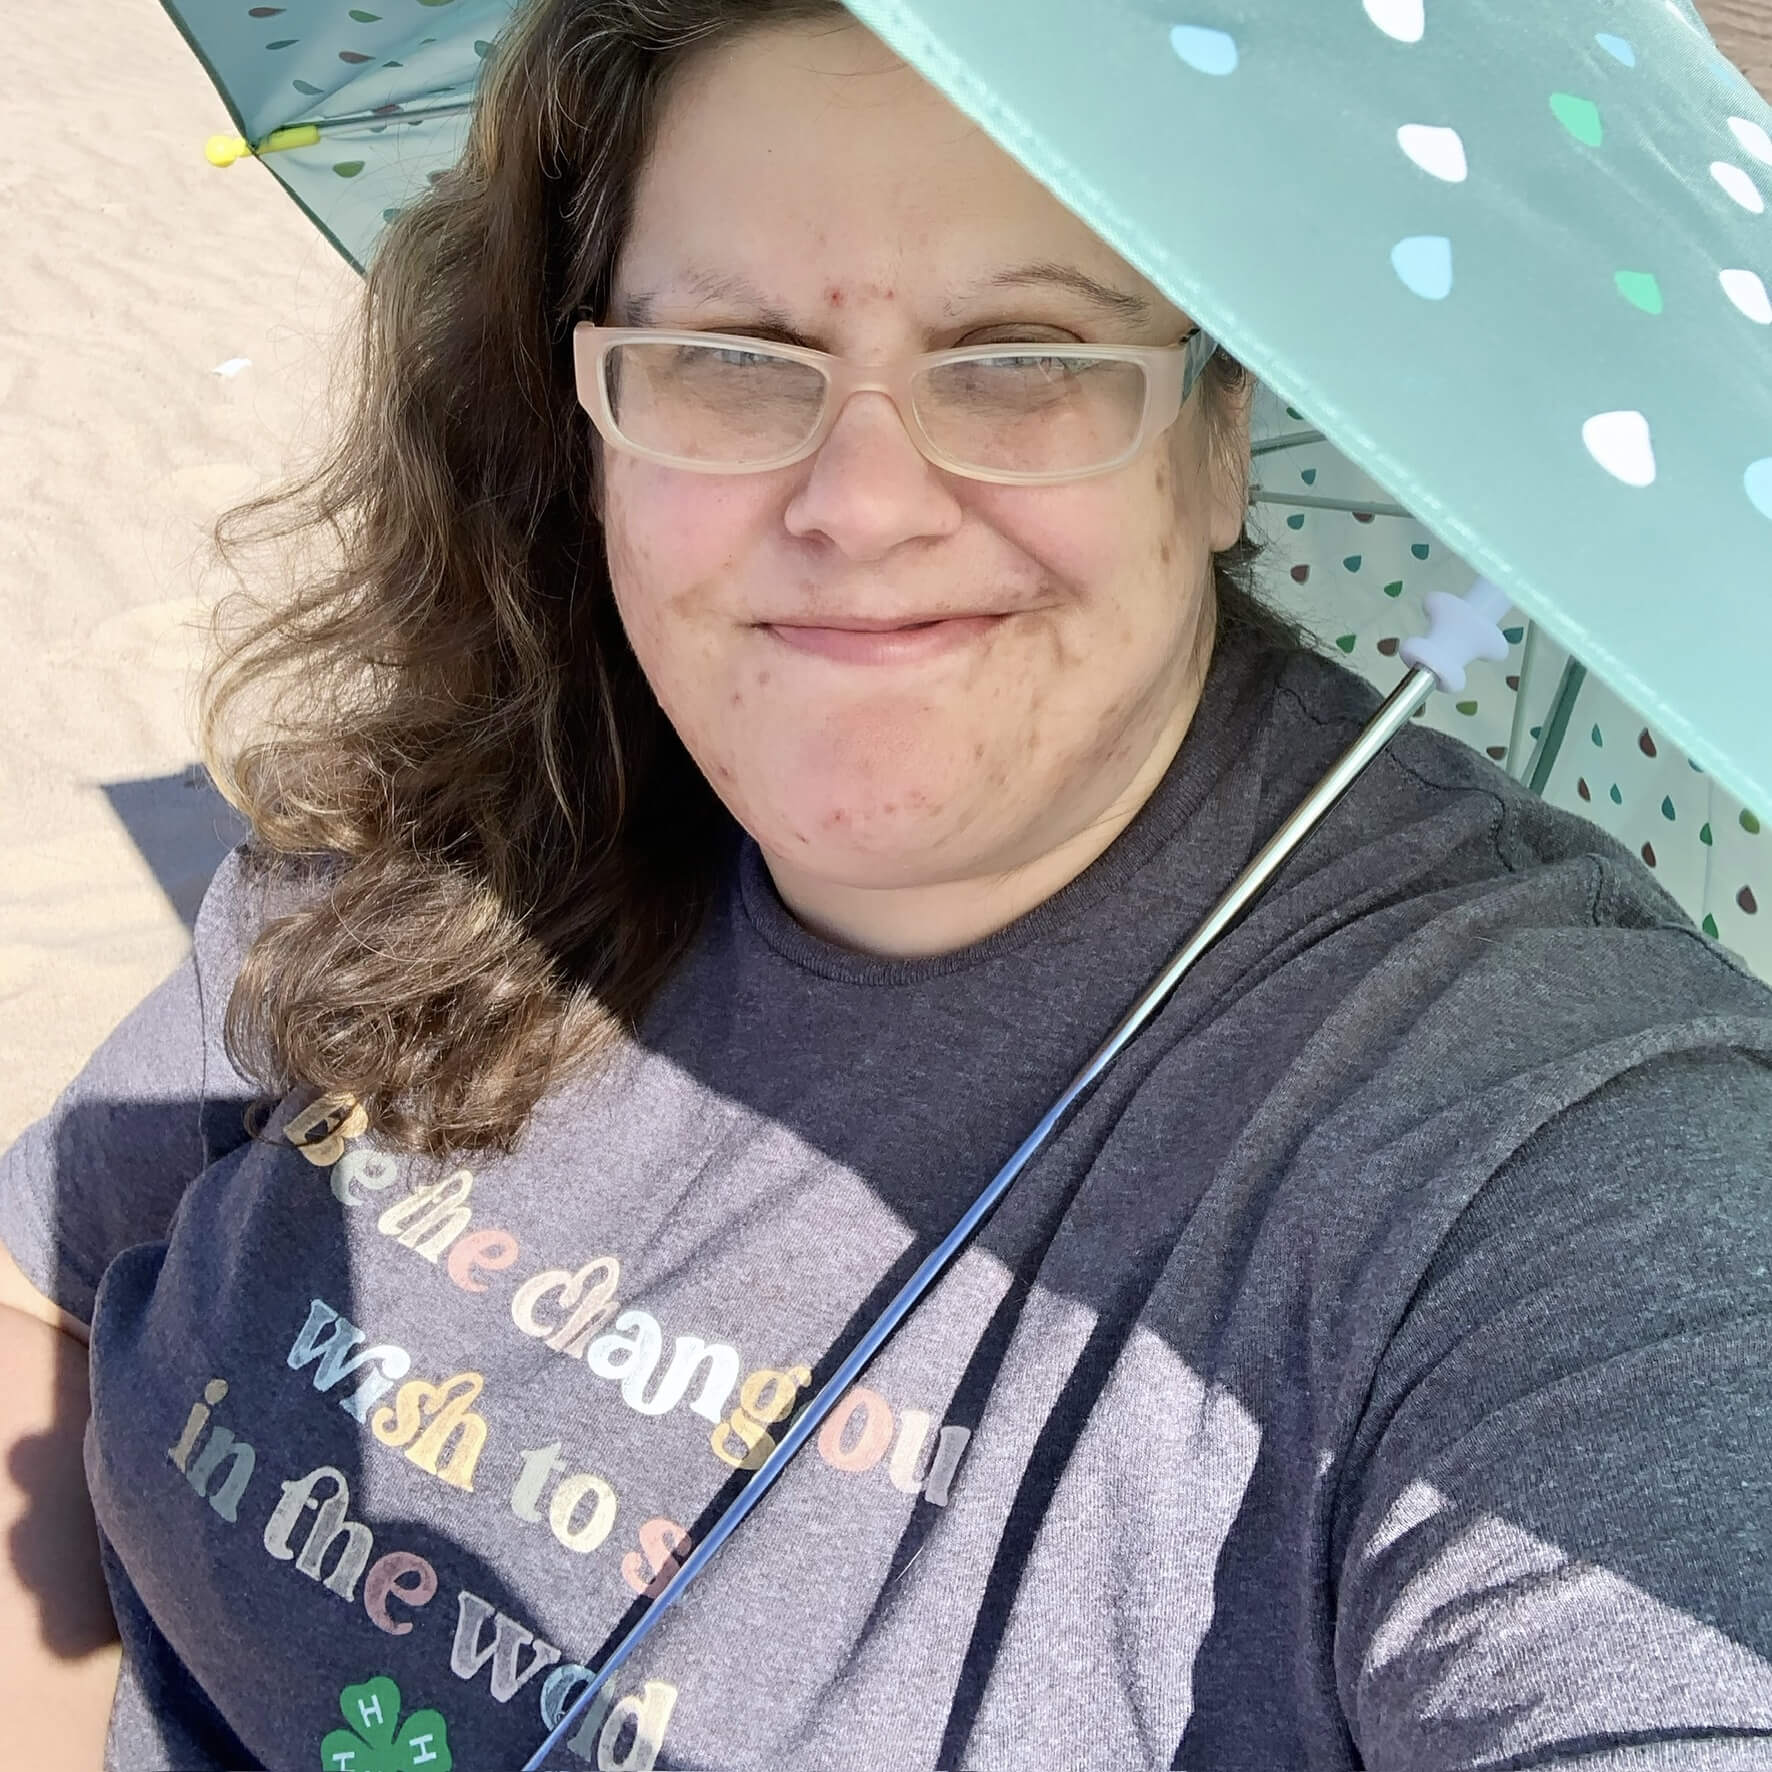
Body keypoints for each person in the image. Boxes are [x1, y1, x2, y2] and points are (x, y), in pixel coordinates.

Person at [4, 2, 1771, 1767]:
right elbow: (52, 1297)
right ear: (590, 411)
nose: (858, 503)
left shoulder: (1568, 1164)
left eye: (1023, 356)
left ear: (1218, 436)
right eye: (733, 356)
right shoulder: (493, 777)